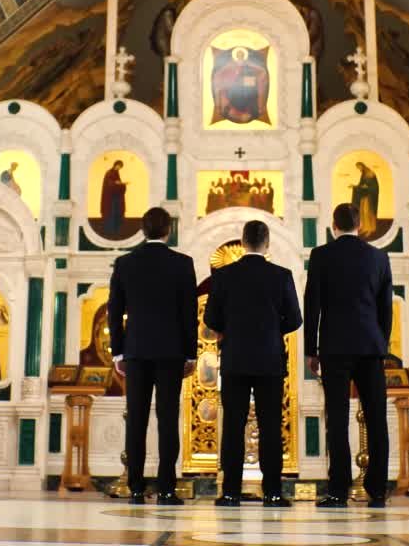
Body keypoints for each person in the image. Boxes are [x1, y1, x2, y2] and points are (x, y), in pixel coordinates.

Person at [204, 220, 302, 508]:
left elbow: (211, 319)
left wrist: (230, 329)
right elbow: (295, 319)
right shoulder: (281, 276)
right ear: (266, 243)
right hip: (270, 360)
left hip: (234, 358)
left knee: (233, 426)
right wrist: (272, 330)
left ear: (243, 242)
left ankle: (230, 491)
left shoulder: (224, 275)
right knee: (271, 425)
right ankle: (272, 492)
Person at [304, 203, 394, 508]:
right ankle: (377, 490)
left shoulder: (321, 255)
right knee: (376, 418)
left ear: (334, 226)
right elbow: (385, 308)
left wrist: (311, 350)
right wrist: (382, 345)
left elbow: (312, 305)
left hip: (335, 348)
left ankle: (337, 491)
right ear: (360, 225)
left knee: (337, 419)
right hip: (371, 348)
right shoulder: (379, 257)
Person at [108, 207, 198, 505]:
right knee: (168, 419)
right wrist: (190, 354)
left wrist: (118, 352)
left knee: (136, 419)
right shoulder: (182, 264)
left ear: (142, 230)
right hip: (171, 353)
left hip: (135, 352)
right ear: (168, 230)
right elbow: (189, 313)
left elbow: (114, 311)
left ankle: (135, 488)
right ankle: (167, 489)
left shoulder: (126, 263)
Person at [350, 162, 380, 239]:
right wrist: (355, 186)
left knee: (367, 211)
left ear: (362, 166)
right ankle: (364, 227)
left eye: (359, 167)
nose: (359, 169)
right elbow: (361, 184)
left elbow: (374, 186)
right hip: (364, 195)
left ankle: (370, 229)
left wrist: (367, 186)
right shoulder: (363, 174)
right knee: (362, 211)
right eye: (358, 168)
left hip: (369, 197)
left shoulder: (370, 173)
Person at [100, 160, 128, 238]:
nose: (119, 168)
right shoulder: (109, 173)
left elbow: (117, 183)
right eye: (119, 166)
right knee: (111, 213)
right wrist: (119, 183)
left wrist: (121, 184)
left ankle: (115, 231)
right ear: (115, 165)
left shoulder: (116, 173)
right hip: (110, 198)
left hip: (115, 197)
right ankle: (110, 231)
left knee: (116, 212)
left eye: (120, 167)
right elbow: (110, 183)